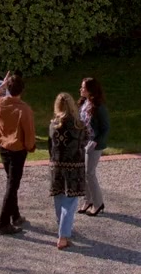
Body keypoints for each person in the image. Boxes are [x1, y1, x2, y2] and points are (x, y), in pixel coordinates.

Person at [0, 71, 36, 235]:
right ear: (22, 90)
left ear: (8, 88)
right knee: (12, 186)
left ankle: (15, 216)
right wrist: (30, 147)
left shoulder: (0, 103)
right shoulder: (24, 110)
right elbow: (29, 133)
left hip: (3, 148)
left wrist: (0, 86)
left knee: (11, 182)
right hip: (17, 151)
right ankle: (3, 223)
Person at [47, 92, 88, 250]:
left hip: (57, 166)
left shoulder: (53, 125)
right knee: (69, 203)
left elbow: (50, 146)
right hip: (74, 168)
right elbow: (84, 143)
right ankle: (63, 236)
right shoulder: (79, 126)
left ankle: (62, 227)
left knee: (58, 199)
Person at [77, 77, 110, 216]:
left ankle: (98, 203)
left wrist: (96, 141)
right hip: (83, 142)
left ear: (90, 90)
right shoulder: (84, 103)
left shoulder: (99, 107)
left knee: (90, 173)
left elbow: (105, 128)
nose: (80, 89)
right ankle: (88, 201)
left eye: (83, 87)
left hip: (94, 144)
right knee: (83, 172)